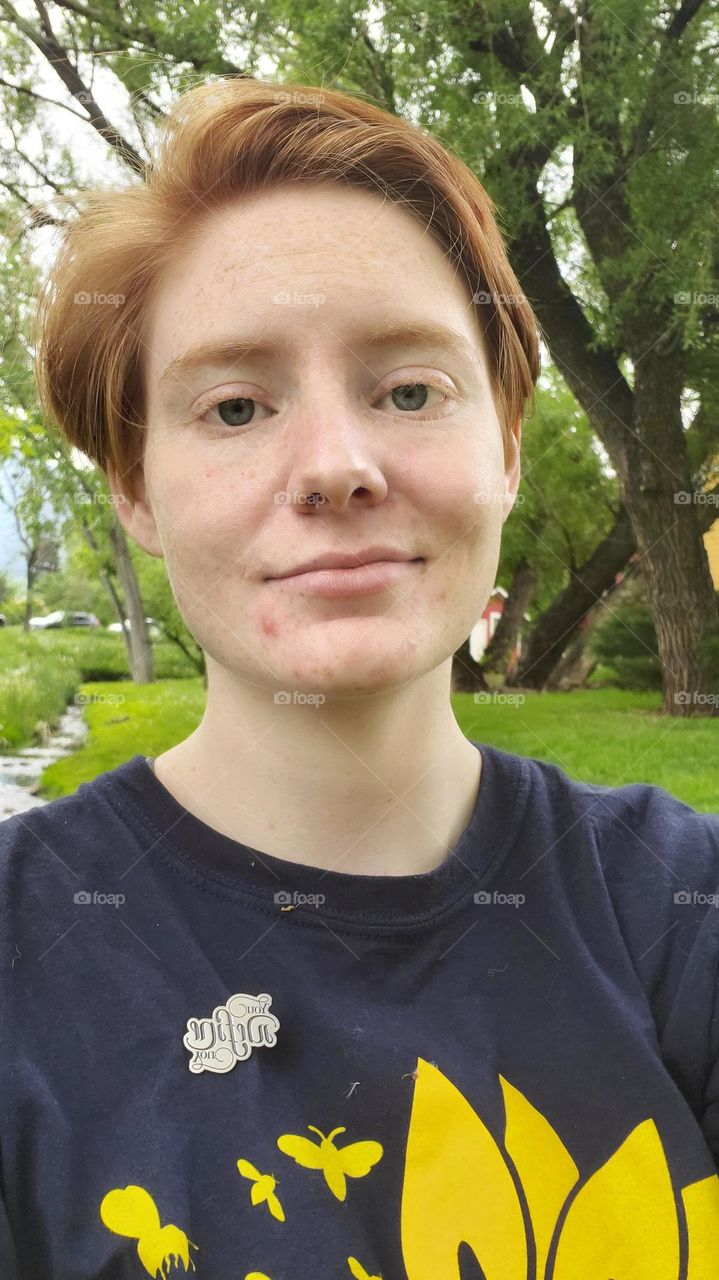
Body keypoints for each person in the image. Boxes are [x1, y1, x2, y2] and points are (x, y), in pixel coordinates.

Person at [1, 75, 718, 1280]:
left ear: (500, 446)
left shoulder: (681, 913)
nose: (335, 465)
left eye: (405, 390)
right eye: (235, 405)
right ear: (136, 491)